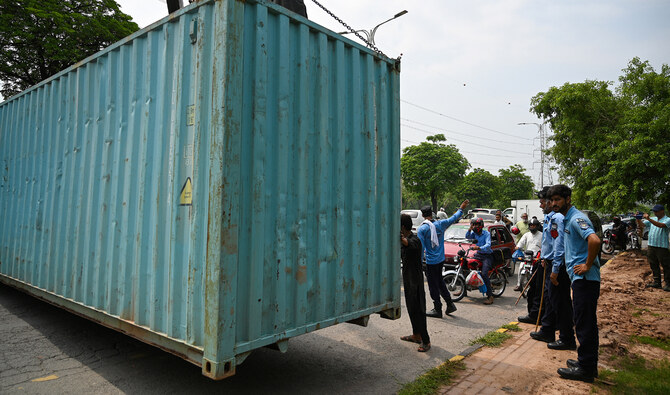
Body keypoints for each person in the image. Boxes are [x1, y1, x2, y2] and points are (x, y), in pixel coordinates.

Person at [549, 185, 601, 383]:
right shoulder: (568, 218)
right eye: (552, 200)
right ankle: (586, 363)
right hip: (580, 280)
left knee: (584, 322)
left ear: (567, 199)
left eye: (557, 199)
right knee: (583, 321)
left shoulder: (577, 218)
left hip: (585, 279)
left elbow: (594, 240)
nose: (554, 203)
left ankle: (586, 369)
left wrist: (587, 265)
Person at [529, 187, 576, 351]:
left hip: (558, 265)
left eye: (545, 202)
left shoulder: (557, 218)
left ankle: (566, 338)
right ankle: (548, 330)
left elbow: (559, 245)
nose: (543, 205)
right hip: (549, 262)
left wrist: (555, 268)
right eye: (546, 201)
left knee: (560, 302)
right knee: (551, 299)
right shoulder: (550, 217)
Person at [418, 200, 470, 318]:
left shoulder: (422, 229)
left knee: (433, 285)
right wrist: (461, 208)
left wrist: (420, 262)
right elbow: (454, 218)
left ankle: (438, 308)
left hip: (431, 262)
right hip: (441, 259)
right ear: (432, 213)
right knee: (440, 282)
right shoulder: (441, 224)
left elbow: (421, 248)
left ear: (422, 215)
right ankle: (450, 304)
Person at [400, 214, 431, 352]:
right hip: (408, 279)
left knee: (419, 310)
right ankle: (416, 335)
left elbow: (410, 245)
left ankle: (426, 341)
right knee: (411, 308)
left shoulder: (415, 240)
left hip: (416, 281)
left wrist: (401, 238)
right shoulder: (404, 240)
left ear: (402, 227)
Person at [636, 204, 670, 291]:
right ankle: (657, 282)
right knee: (653, 264)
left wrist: (649, 219)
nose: (655, 213)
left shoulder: (667, 219)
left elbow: (661, 225)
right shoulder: (653, 219)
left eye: (656, 211)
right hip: (651, 245)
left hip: (662, 246)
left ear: (662, 211)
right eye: (654, 211)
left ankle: (668, 283)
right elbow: (643, 225)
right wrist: (638, 219)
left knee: (666, 265)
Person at [465, 218, 495, 305]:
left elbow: (488, 244)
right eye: (473, 225)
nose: (475, 226)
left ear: (481, 225)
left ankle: (490, 296)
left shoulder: (486, 233)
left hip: (487, 256)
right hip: (478, 255)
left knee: (484, 273)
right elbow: (467, 237)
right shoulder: (473, 233)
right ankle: (463, 291)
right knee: (466, 267)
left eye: (476, 225)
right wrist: (469, 229)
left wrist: (479, 247)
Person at [513, 218, 542, 293]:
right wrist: (518, 247)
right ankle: (519, 284)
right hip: (527, 256)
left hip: (537, 257)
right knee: (520, 267)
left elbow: (545, 246)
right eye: (531, 225)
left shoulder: (541, 235)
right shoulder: (526, 235)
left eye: (534, 225)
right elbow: (521, 242)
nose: (532, 227)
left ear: (537, 226)